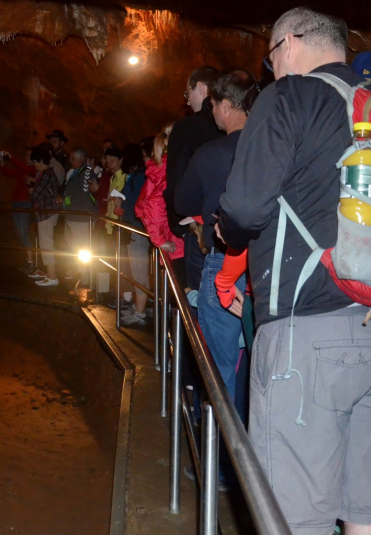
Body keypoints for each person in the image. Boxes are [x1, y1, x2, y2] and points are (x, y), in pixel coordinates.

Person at [218, 8, 370, 533]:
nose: (271, 67)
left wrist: (226, 234)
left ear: (290, 44)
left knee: (290, 517)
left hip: (306, 333)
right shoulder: (365, 105)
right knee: (364, 513)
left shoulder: (289, 97)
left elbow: (242, 207)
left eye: (271, 56)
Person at [176, 70, 254, 415]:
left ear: (225, 106)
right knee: (257, 366)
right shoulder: (276, 148)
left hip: (223, 263)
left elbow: (183, 203)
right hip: (266, 267)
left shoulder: (211, 153)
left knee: (219, 368)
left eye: (213, 107)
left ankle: (221, 465)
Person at [166, 65, 224, 291]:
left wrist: (178, 224)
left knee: (200, 297)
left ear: (201, 88)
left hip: (198, 225)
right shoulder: (237, 124)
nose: (187, 100)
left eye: (188, 93)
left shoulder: (186, 128)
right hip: (233, 227)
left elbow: (175, 179)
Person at [136, 124, 185, 284]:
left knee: (175, 293)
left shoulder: (161, 167)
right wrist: (161, 239)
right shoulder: (168, 169)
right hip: (175, 242)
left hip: (171, 239)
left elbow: (146, 204)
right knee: (182, 294)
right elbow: (154, 205)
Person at [115, 144, 149, 326]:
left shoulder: (140, 176)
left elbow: (139, 202)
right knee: (137, 270)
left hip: (137, 228)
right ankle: (139, 307)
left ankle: (140, 311)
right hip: (133, 226)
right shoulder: (137, 176)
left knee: (139, 270)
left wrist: (122, 203)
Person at [26, 145, 60, 287]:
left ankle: (52, 276)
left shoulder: (46, 174)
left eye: (35, 162)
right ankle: (49, 274)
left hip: (47, 213)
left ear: (40, 160)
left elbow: (35, 195)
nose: (34, 165)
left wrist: (31, 189)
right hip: (45, 213)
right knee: (45, 243)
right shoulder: (45, 174)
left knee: (47, 244)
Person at [63, 149, 98, 286]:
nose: (70, 160)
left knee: (83, 248)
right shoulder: (76, 173)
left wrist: (65, 200)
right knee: (75, 246)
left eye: (72, 158)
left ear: (80, 159)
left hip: (82, 217)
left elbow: (83, 195)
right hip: (74, 216)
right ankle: (81, 274)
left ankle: (86, 280)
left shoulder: (87, 172)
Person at [0, 149, 37, 274]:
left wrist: (11, 157)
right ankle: (29, 260)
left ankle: (31, 262)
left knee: (24, 232)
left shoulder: (34, 170)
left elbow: (24, 168)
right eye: (26, 155)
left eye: (29, 156)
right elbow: (8, 172)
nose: (27, 157)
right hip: (17, 203)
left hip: (25, 204)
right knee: (21, 233)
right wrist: (1, 162)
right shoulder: (24, 170)